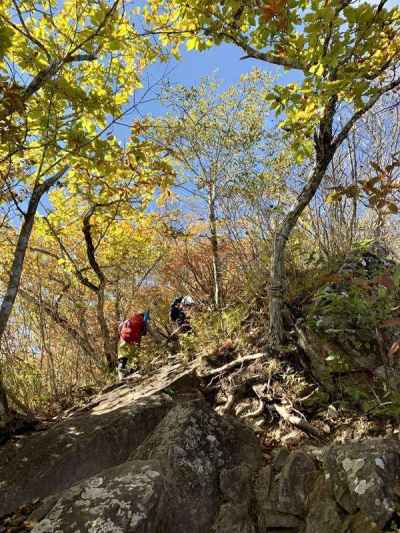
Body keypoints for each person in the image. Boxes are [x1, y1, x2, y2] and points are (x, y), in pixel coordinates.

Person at [116, 311, 149, 381]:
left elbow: (119, 328)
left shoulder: (129, 319)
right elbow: (144, 333)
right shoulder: (143, 321)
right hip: (134, 341)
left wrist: (122, 335)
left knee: (122, 357)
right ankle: (134, 372)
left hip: (123, 339)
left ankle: (121, 376)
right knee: (135, 357)